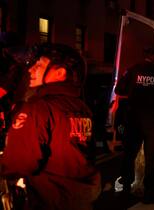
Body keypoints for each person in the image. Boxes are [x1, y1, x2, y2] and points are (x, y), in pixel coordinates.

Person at [0, 43, 101, 210]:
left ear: (60, 73)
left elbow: (19, 162)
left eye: (39, 65)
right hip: (81, 197)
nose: (31, 70)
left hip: (50, 198)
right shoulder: (82, 108)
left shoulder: (37, 108)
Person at [115, 45, 154, 204]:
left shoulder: (133, 70)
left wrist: (134, 92)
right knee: (152, 159)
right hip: (151, 121)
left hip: (134, 119)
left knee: (129, 155)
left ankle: (125, 191)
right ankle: (150, 194)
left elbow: (119, 90)